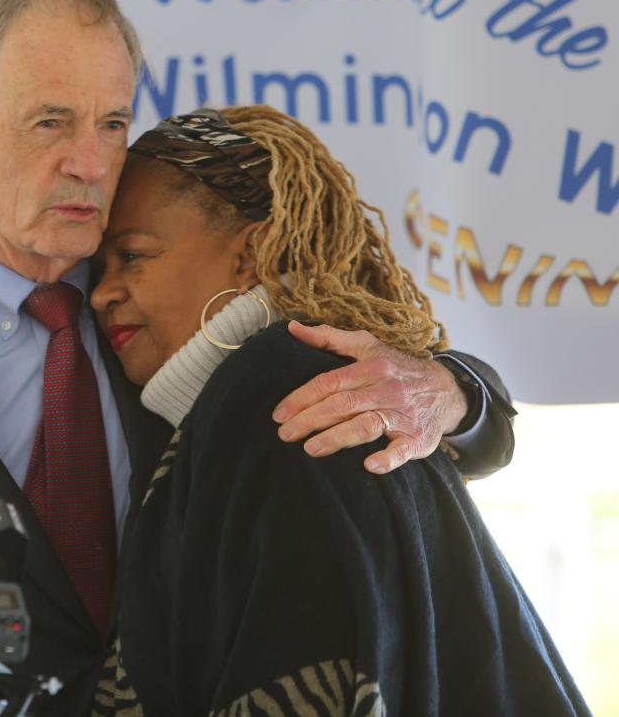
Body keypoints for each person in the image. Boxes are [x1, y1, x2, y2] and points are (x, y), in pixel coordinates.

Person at [0, 0, 515, 714]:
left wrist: (448, 391)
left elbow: (380, 384)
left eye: (113, 122)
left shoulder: (177, 297)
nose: (91, 162)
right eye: (51, 121)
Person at [88, 105, 588, 716]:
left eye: (133, 255)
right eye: (99, 266)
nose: (100, 292)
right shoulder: (246, 395)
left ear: (251, 255)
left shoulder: (287, 397)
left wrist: (457, 392)